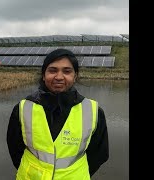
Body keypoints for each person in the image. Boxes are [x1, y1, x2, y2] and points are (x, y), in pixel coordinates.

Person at [6, 48, 109, 180]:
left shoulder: (94, 111)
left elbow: (99, 154)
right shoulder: (23, 108)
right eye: (53, 70)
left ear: (75, 76)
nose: (59, 77)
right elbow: (15, 149)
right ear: (44, 75)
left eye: (67, 71)